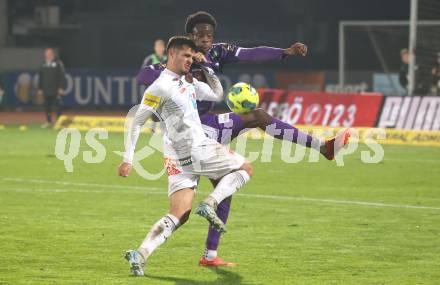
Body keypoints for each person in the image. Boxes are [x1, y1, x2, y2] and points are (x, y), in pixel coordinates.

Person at [136, 11, 350, 267]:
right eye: (199, 34)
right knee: (257, 117)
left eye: (208, 34)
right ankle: (322, 147)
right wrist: (184, 73)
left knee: (223, 188)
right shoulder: (180, 61)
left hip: (202, 133)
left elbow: (251, 53)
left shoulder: (216, 53)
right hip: (193, 132)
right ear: (189, 37)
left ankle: (208, 256)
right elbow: (143, 77)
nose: (205, 38)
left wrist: (285, 52)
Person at [118, 36, 254, 276]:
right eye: (186, 56)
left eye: (192, 56)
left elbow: (216, 93)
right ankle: (211, 203)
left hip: (176, 158)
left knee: (179, 213)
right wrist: (128, 158)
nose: (190, 60)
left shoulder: (187, 82)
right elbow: (137, 121)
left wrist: (207, 67)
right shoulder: (159, 87)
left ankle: (141, 254)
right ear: (171, 55)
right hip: (196, 148)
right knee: (246, 167)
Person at [37, 48, 66, 128]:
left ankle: (59, 122)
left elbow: (62, 76)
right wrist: (40, 88)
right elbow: (41, 77)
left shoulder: (58, 63)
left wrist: (61, 87)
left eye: (49, 53)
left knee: (58, 106)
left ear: (52, 54)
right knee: (47, 106)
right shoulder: (43, 64)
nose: (47, 55)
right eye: (46, 53)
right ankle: (48, 121)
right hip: (46, 89)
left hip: (56, 89)